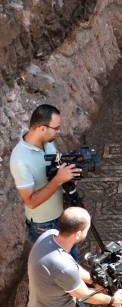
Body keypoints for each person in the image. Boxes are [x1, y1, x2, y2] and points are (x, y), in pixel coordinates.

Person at [26, 207, 122, 307]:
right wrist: (112, 300)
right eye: (87, 228)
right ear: (78, 233)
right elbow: (85, 296)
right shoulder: (62, 266)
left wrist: (94, 281)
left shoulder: (50, 235)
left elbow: (72, 266)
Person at [9, 104, 81, 259]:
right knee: (59, 264)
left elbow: (54, 168)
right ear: (42, 128)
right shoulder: (20, 160)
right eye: (56, 128)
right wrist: (58, 180)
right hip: (44, 226)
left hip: (61, 212)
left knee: (72, 257)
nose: (59, 131)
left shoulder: (47, 142)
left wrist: (68, 178)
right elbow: (31, 202)